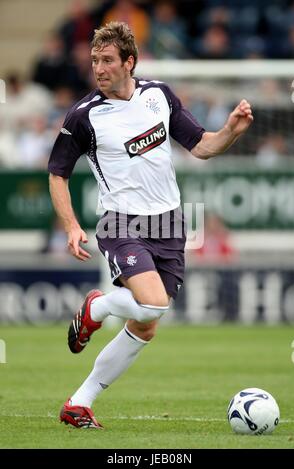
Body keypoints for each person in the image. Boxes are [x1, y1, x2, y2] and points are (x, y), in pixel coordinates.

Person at [48, 21, 253, 429]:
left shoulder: (158, 96)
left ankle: (79, 404)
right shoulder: (85, 116)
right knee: (153, 302)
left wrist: (231, 130)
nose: (99, 68)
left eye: (107, 60)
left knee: (145, 325)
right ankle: (98, 307)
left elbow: (202, 146)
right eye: (94, 61)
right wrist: (71, 225)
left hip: (170, 223)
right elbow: (57, 173)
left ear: (130, 62)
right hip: (121, 222)